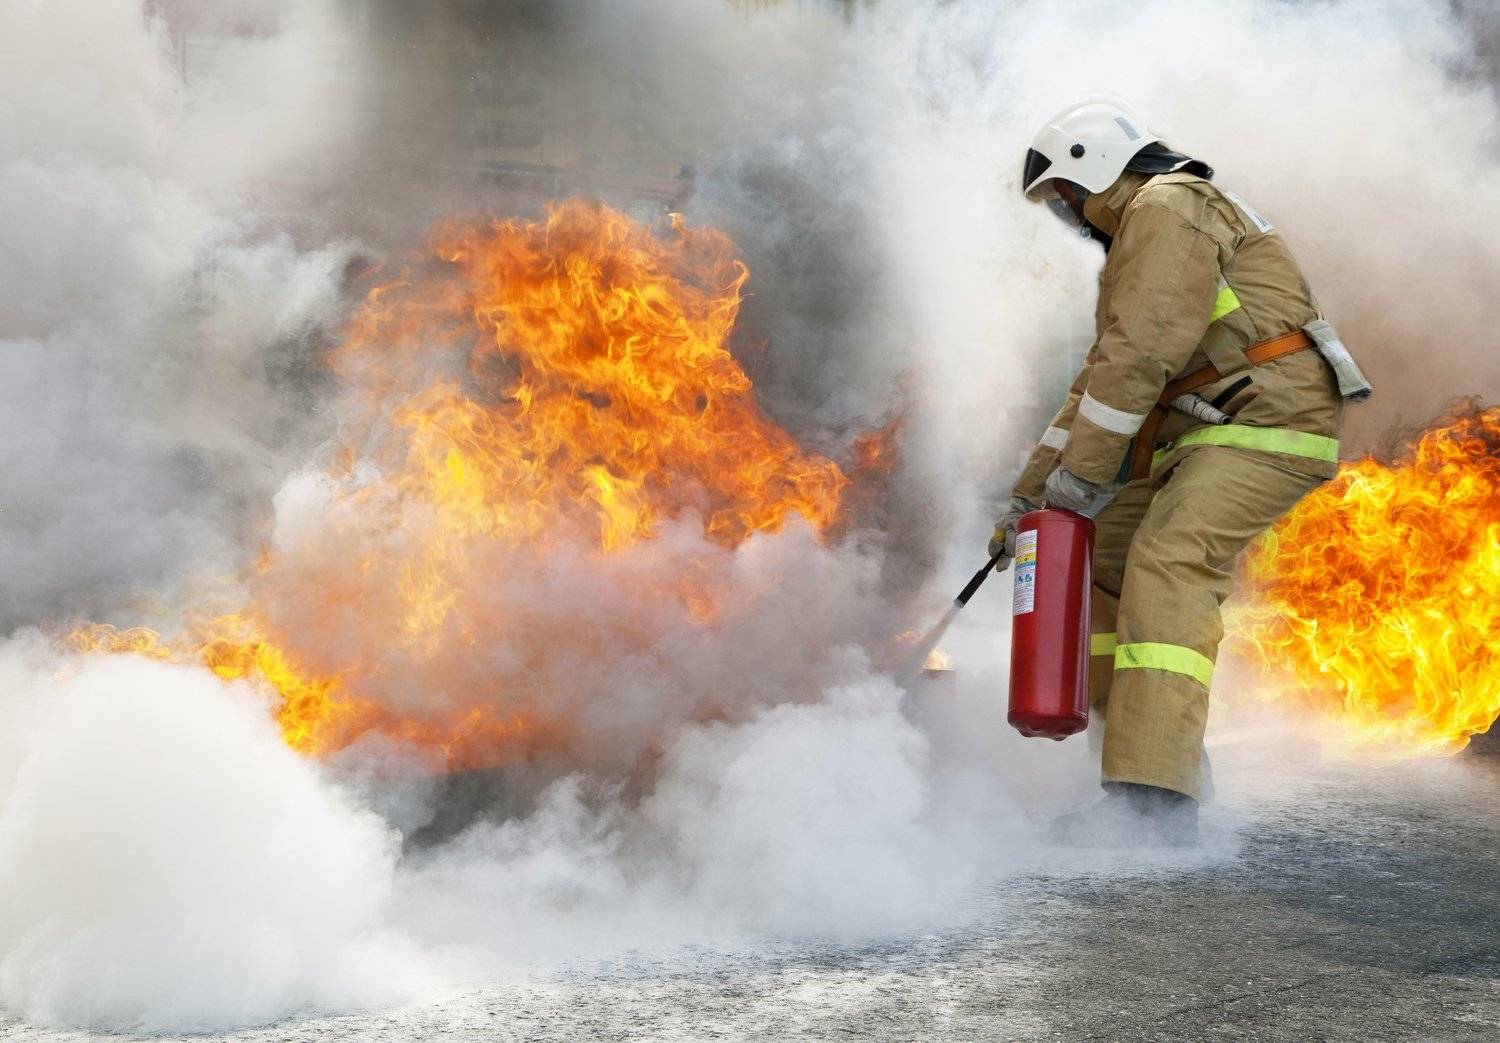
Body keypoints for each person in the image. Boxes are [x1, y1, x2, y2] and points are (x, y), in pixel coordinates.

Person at [994, 100, 1371, 846]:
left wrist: (1079, 482)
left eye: (1066, 197)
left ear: (1093, 168)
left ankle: (1154, 803)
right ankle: (1148, 762)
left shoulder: (1167, 207)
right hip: (1201, 432)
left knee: (1168, 561)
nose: (1070, 217)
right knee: (1101, 561)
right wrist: (1032, 500)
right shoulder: (1144, 233)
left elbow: (1142, 356)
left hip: (1266, 420)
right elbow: (1098, 380)